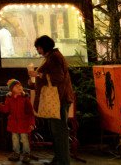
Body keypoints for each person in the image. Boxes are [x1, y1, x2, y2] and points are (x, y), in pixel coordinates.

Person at [28, 35, 74, 165]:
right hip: (58, 98)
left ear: (42, 47)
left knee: (59, 131)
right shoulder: (53, 56)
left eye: (38, 48)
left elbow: (58, 78)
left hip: (59, 98)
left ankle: (63, 161)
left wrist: (38, 74)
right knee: (56, 131)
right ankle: (59, 159)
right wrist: (35, 80)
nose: (38, 51)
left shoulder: (54, 58)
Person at [0, 79, 35, 163]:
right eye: (16, 86)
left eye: (20, 85)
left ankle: (26, 154)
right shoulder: (9, 98)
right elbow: (6, 109)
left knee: (24, 139)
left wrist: (31, 123)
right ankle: (16, 153)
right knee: (15, 139)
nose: (19, 87)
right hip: (13, 123)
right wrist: (0, 106)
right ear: (12, 89)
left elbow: (30, 112)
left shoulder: (25, 98)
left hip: (24, 123)